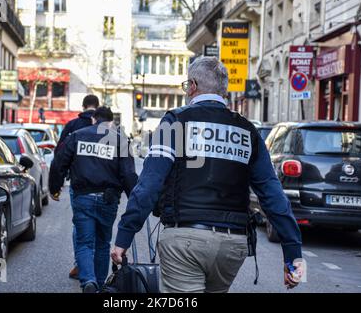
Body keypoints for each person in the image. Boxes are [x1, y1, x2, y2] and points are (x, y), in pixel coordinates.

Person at [111, 57, 304, 293]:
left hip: (184, 241)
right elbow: (272, 195)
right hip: (232, 245)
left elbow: (150, 183)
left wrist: (124, 236)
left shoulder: (176, 121)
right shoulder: (247, 130)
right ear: (223, 89)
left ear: (192, 86)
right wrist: (293, 256)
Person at [49, 107, 138, 293]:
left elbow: (59, 161)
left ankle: (88, 281)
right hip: (108, 199)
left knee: (84, 243)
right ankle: (99, 285)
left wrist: (54, 188)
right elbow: (129, 174)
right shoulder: (120, 140)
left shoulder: (77, 135)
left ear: (93, 119)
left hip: (83, 196)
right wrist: (135, 199)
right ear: (111, 122)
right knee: (103, 243)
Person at [55, 94, 100, 280]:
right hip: (104, 186)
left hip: (78, 184)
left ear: (83, 106)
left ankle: (80, 264)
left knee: (80, 224)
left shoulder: (72, 126)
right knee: (100, 225)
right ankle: (96, 266)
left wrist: (56, 186)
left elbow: (59, 155)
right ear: (97, 107)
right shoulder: (107, 128)